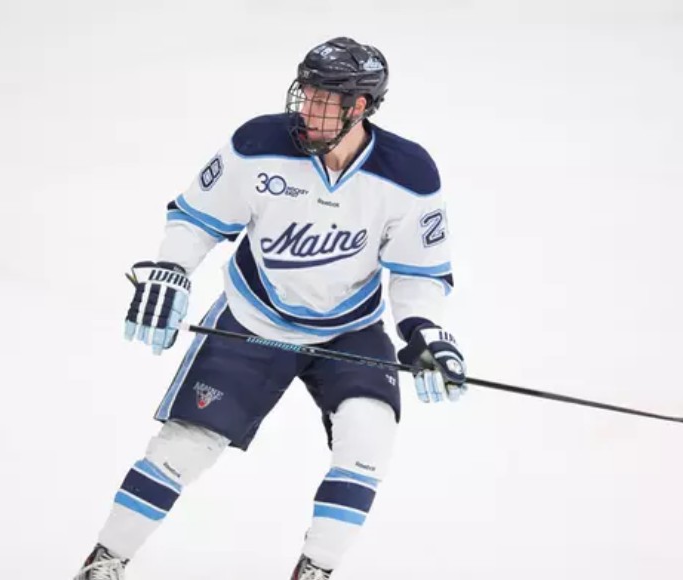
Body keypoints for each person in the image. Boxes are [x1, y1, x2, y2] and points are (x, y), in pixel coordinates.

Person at [76, 36, 467, 580]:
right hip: (252, 321)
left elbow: (418, 272)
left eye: (323, 99)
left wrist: (424, 330)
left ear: (359, 107)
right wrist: (172, 267)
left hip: (349, 331)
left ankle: (316, 569)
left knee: (368, 436)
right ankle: (104, 560)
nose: (306, 108)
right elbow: (197, 216)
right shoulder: (258, 143)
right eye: (306, 92)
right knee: (184, 446)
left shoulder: (409, 174)